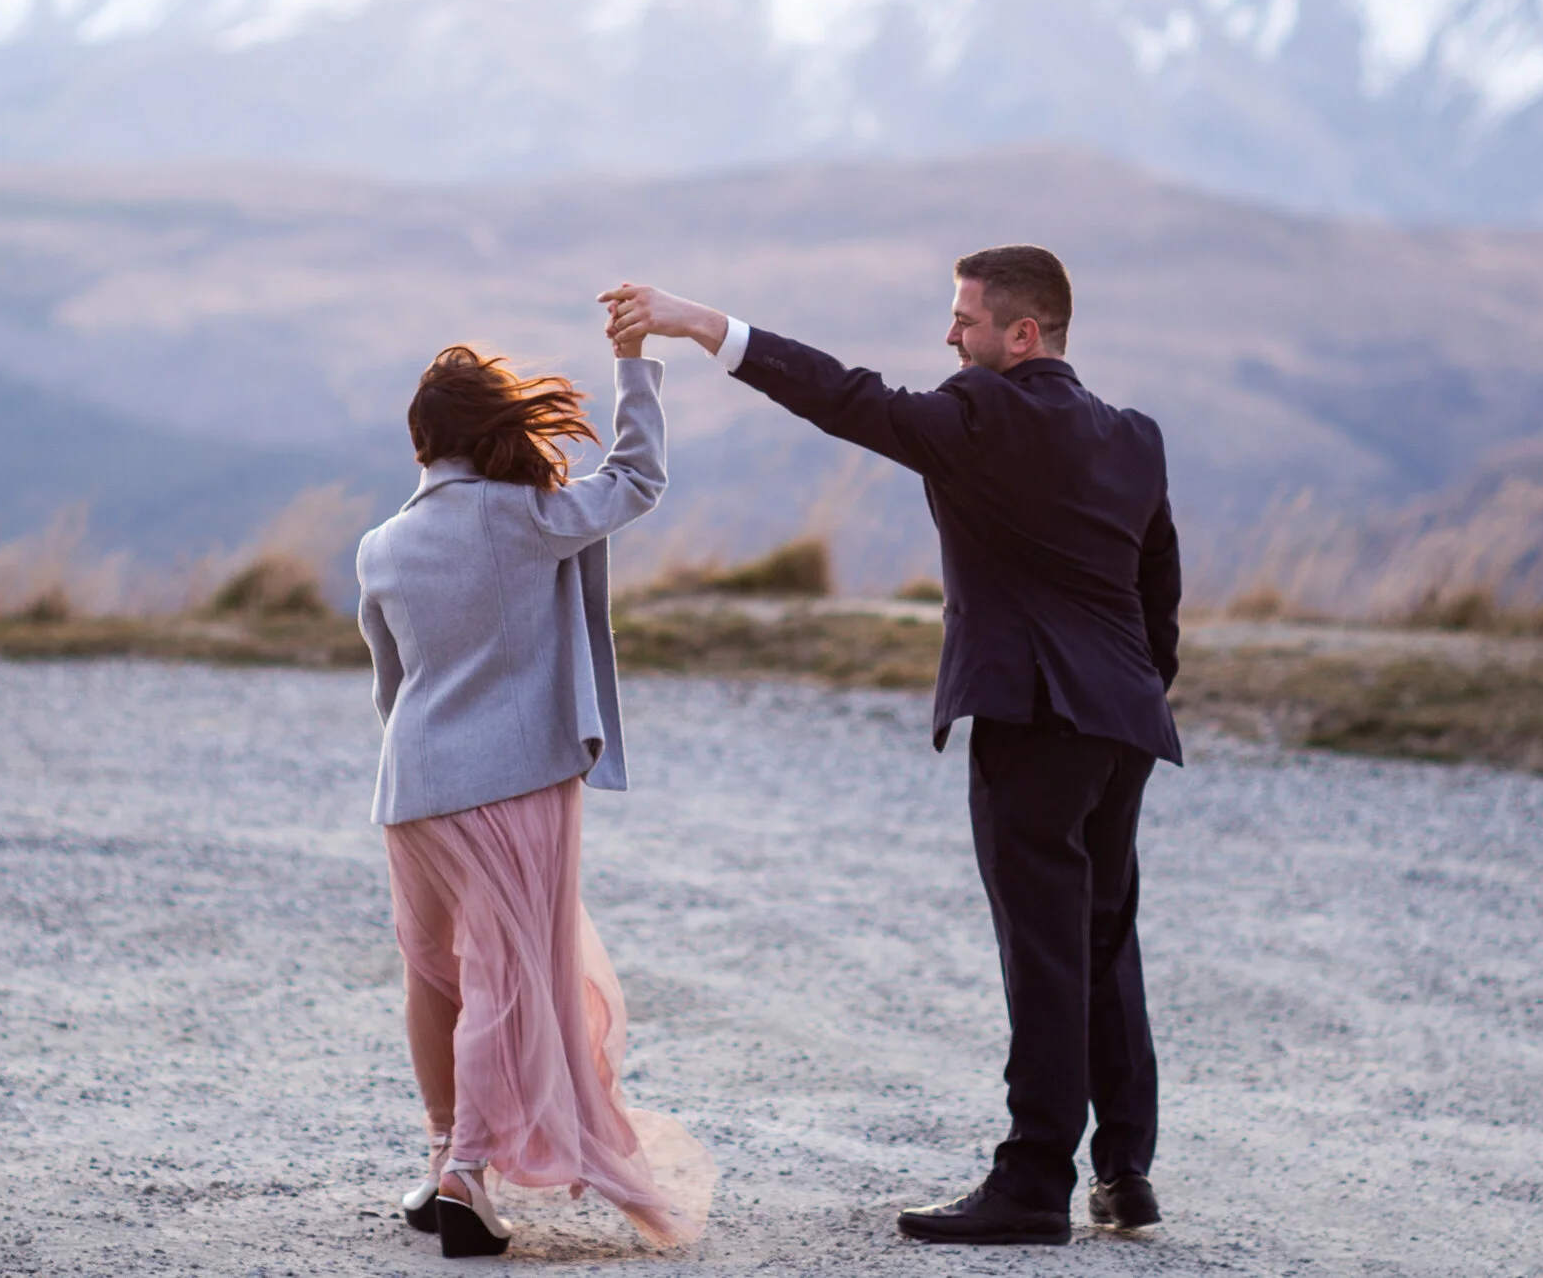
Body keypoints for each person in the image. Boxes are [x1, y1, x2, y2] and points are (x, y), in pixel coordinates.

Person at [601, 245, 1180, 1247]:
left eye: (965, 318)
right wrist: (1135, 688)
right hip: (1121, 720)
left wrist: (704, 325)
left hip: (1033, 714)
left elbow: (844, 396)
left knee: (1042, 944)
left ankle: (1034, 1179)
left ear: (1022, 334)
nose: (950, 336)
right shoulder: (1133, 435)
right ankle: (1124, 1170)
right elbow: (1156, 588)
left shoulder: (980, 414)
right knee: (1100, 934)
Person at [355, 332, 713, 1259]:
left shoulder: (380, 546)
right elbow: (638, 479)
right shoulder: (526, 515)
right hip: (510, 785)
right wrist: (636, 363)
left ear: (423, 440)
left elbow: (391, 687)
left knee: (434, 974)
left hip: (411, 789)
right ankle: (468, 1174)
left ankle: (442, 1156)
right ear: (497, 432)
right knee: (505, 977)